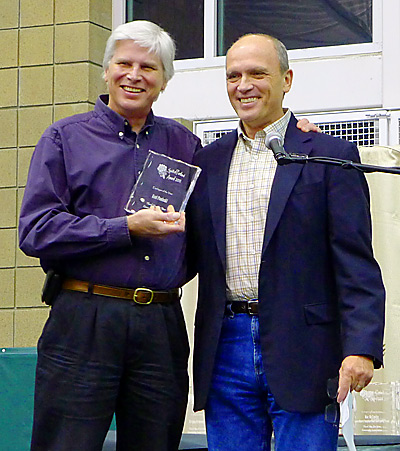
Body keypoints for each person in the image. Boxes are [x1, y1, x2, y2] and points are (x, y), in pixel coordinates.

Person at [188, 33, 385, 451]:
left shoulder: (328, 155)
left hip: (306, 348)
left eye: (257, 74)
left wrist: (362, 348)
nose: (244, 85)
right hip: (225, 348)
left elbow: (356, 264)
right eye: (233, 76)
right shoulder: (207, 162)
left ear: (287, 80)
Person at [19, 20, 202, 451]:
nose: (134, 75)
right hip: (84, 317)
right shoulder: (65, 138)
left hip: (160, 323)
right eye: (124, 64)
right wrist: (124, 229)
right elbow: (36, 230)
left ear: (164, 81)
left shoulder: (186, 145)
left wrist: (295, 127)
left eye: (149, 68)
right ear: (106, 71)